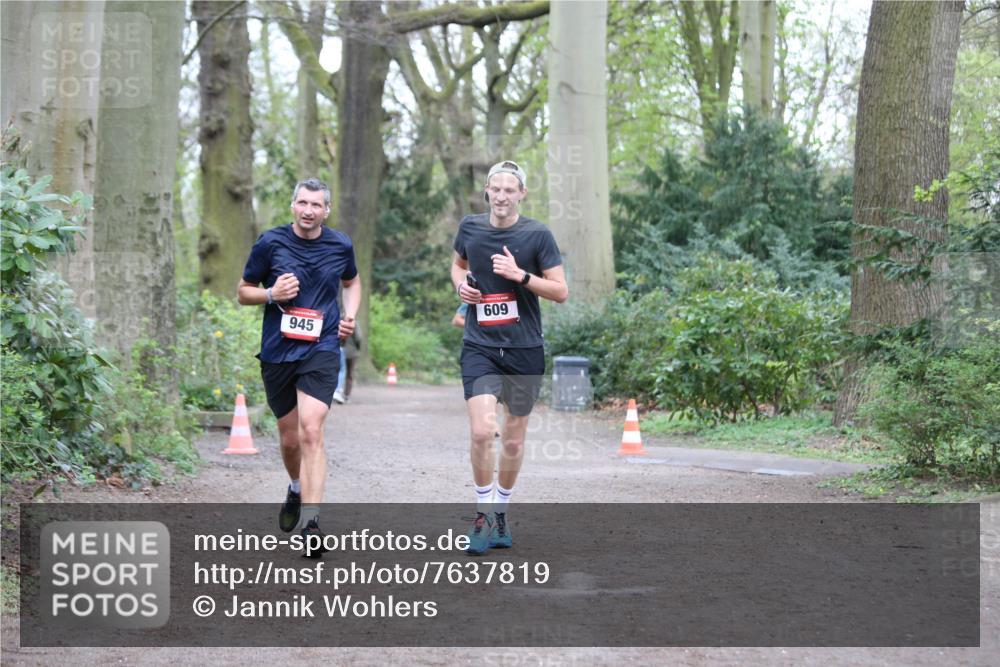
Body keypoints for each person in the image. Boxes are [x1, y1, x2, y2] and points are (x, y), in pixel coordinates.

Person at [237, 177, 360, 558]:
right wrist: (272, 294)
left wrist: (350, 316)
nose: (309, 211)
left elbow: (352, 282)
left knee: (311, 429)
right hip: (278, 351)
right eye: (302, 203)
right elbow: (243, 291)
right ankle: (295, 487)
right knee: (290, 439)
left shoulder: (340, 244)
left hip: (322, 348)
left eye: (316, 205)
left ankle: (312, 522)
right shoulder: (270, 243)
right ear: (293, 206)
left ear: (327, 210)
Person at [451, 160, 568, 555]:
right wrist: (462, 289)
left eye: (509, 190)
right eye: (495, 189)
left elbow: (560, 291)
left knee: (513, 442)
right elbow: (457, 265)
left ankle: (501, 512)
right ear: (487, 190)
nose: (501, 196)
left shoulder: (538, 235)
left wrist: (520, 276)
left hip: (524, 348)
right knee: (483, 431)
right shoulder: (470, 227)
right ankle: (482, 514)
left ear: (521, 194)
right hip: (480, 346)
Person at [333, 324, 361, 404]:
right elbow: (358, 338)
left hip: (340, 349)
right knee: (349, 374)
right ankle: (346, 395)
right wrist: (358, 348)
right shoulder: (354, 323)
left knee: (339, 371)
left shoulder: (338, 321)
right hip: (352, 352)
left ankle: (337, 391)